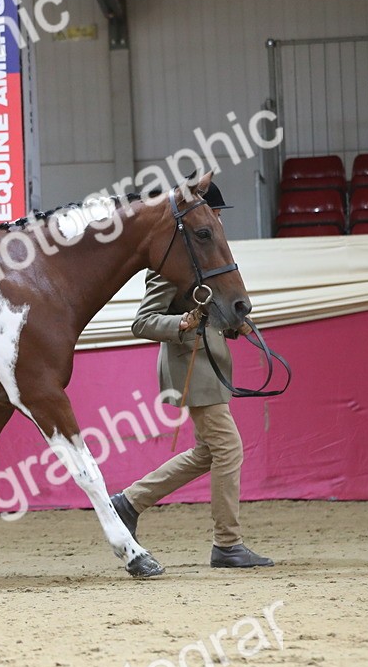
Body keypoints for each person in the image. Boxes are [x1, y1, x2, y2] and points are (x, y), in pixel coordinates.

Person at [110, 181, 274, 568]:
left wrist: (234, 324)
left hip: (208, 362)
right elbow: (143, 321)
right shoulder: (172, 262)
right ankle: (227, 544)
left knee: (208, 452)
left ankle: (129, 502)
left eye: (216, 213)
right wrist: (183, 323)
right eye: (214, 213)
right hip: (191, 365)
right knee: (228, 448)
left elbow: (208, 307)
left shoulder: (204, 254)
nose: (216, 219)